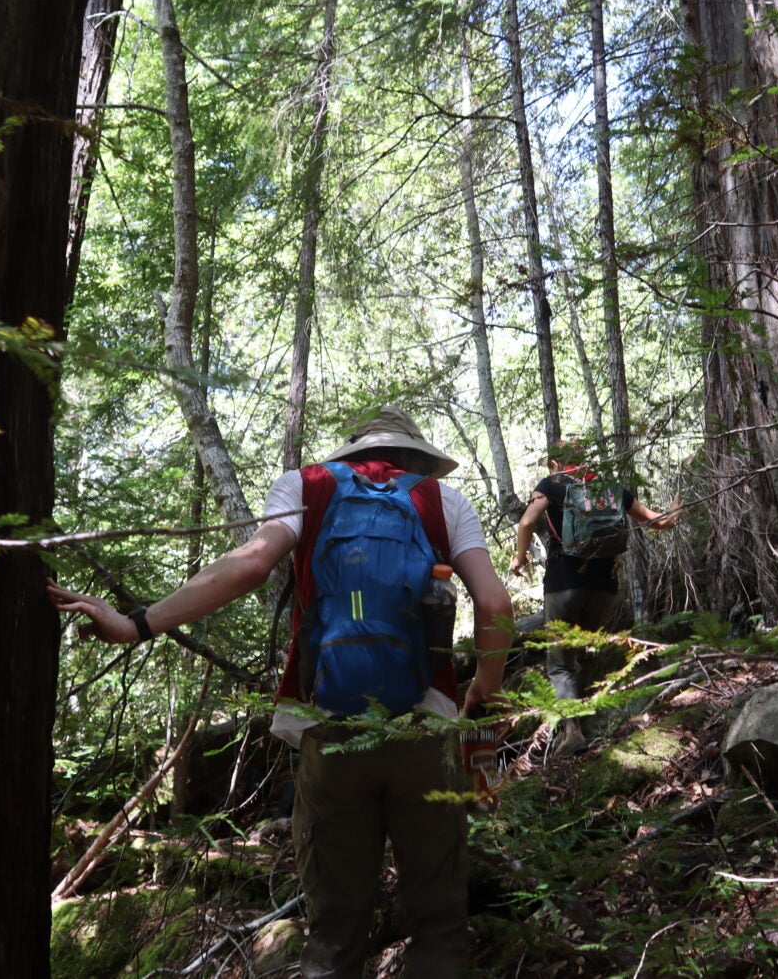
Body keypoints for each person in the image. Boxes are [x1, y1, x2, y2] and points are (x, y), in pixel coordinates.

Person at [48, 407, 512, 978]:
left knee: (334, 934)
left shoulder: (307, 485)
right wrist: (484, 690)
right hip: (426, 727)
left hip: (326, 726)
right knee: (439, 926)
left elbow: (248, 566)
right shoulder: (445, 501)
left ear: (353, 448)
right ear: (418, 454)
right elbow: (494, 604)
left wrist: (138, 623)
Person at [508, 438, 678, 756]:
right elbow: (659, 521)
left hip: (564, 583)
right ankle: (588, 716)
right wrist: (675, 509)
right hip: (605, 589)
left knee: (560, 663)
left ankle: (572, 730)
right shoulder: (608, 488)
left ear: (555, 463)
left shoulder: (551, 484)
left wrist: (520, 558)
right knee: (586, 652)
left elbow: (528, 521)